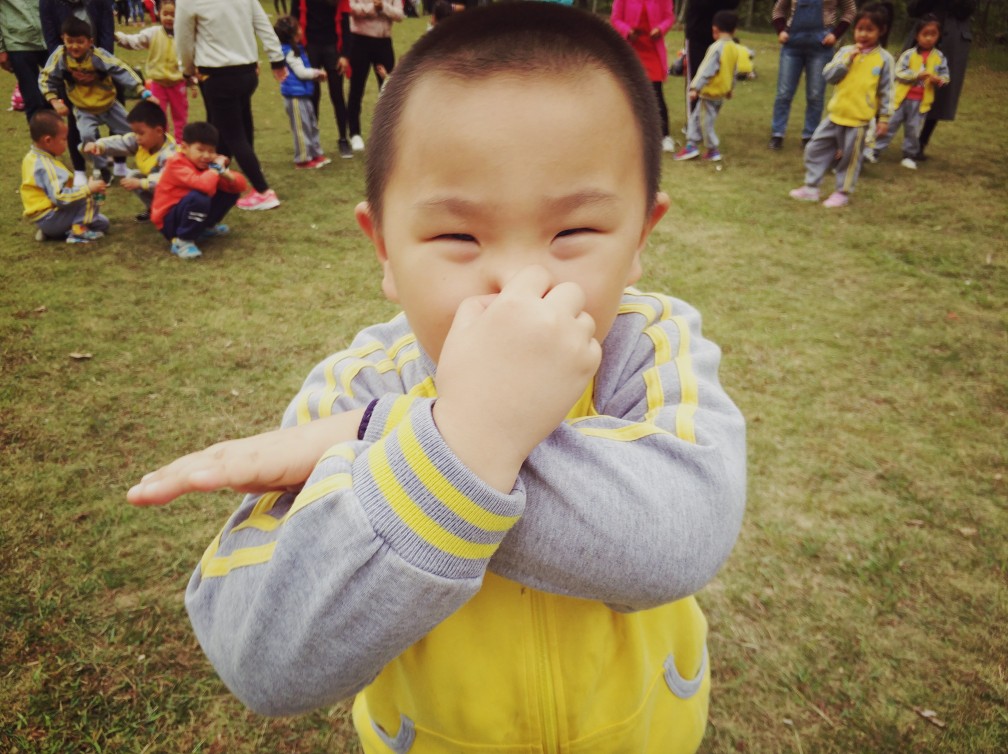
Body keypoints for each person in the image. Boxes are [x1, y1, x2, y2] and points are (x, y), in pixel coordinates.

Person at [127, 5, 747, 753]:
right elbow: (262, 659)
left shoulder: (649, 344)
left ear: (641, 236)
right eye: (457, 235)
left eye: (575, 232)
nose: (518, 282)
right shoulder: (354, 386)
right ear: (384, 249)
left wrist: (385, 441)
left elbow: (681, 537)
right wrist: (461, 438)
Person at [174, 0, 286, 211]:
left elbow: (183, 38)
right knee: (230, 128)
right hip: (247, 72)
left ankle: (263, 191)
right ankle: (218, 180)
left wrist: (187, 70)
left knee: (233, 134)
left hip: (218, 74)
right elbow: (262, 23)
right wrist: (277, 59)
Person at [790, 2, 894, 208]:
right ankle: (811, 187)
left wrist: (884, 118)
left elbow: (888, 91)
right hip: (836, 115)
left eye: (869, 30)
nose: (863, 34)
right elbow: (829, 76)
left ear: (881, 31)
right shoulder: (845, 51)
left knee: (850, 159)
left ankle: (842, 192)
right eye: (860, 29)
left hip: (859, 121)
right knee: (814, 148)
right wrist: (846, 61)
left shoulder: (885, 59)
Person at [39, 15, 154, 180]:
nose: (74, 46)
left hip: (108, 104)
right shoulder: (61, 57)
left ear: (90, 42)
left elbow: (120, 69)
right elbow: (46, 77)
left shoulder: (98, 56)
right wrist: (54, 101)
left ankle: (146, 162)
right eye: (70, 41)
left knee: (133, 132)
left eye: (80, 42)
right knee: (87, 137)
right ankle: (102, 167)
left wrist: (141, 90)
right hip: (83, 108)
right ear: (63, 39)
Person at [40, 0, 117, 186]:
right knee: (75, 119)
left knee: (113, 116)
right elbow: (52, 39)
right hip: (69, 71)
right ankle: (80, 169)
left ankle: (110, 161)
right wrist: (69, 70)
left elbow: (107, 33)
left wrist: (98, 70)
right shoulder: (48, 3)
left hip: (100, 67)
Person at [149, 121, 248, 259]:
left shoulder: (208, 165)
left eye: (211, 151)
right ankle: (183, 241)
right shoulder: (176, 164)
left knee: (230, 190)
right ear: (185, 148)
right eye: (200, 150)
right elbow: (203, 185)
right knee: (199, 197)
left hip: (188, 210)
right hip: (169, 222)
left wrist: (225, 174)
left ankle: (206, 227)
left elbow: (241, 186)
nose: (206, 155)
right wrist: (215, 170)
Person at [767, 0, 856, 150]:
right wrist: (781, 30)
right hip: (792, 46)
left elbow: (850, 10)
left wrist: (835, 34)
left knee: (815, 95)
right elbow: (778, 10)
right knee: (784, 93)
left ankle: (810, 136)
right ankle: (777, 134)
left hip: (821, 46)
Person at [864, 14, 949, 170]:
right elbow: (898, 72)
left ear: (938, 36)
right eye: (925, 34)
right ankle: (873, 150)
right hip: (900, 99)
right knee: (889, 125)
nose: (929, 38)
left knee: (913, 130)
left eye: (933, 34)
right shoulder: (909, 54)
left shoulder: (939, 57)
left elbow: (945, 76)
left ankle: (909, 155)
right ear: (917, 36)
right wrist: (916, 75)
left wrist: (940, 80)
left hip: (921, 103)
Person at [21, 109, 109, 243]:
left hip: (46, 218)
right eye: (63, 139)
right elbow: (60, 197)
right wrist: (88, 189)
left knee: (102, 223)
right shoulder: (46, 166)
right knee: (87, 196)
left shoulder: (32, 157)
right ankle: (77, 233)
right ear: (48, 140)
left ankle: (51, 231)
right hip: (50, 217)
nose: (67, 143)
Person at [82, 99, 176, 221]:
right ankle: (154, 208)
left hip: (173, 191)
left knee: (138, 180)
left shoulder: (170, 154)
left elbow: (166, 180)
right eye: (134, 132)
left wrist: (140, 183)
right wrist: (100, 146)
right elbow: (122, 142)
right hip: (155, 185)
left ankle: (169, 212)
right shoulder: (141, 142)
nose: (137, 138)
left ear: (158, 131)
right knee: (133, 175)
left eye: (141, 133)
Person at [906, 0, 974, 161]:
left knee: (941, 92)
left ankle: (920, 143)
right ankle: (882, 135)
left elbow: (966, 9)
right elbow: (912, 9)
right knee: (903, 84)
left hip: (952, 40)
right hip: (922, 35)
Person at [114, 0, 190, 144]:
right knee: (157, 117)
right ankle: (161, 145)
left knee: (180, 117)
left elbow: (190, 56)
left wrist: (192, 78)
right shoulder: (153, 33)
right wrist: (119, 37)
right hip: (158, 84)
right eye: (165, 14)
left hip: (178, 84)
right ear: (159, 13)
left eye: (173, 15)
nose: (169, 18)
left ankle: (180, 146)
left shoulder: (183, 36)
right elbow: (136, 41)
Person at [610, 0, 677, 153]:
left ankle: (664, 136)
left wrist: (660, 29)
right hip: (631, 49)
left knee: (656, 93)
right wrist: (627, 31)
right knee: (629, 94)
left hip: (653, 50)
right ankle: (628, 133)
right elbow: (616, 19)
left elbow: (669, 18)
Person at [674, 9, 740, 163]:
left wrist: (695, 88)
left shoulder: (716, 48)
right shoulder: (734, 48)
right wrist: (730, 88)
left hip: (709, 93)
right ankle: (693, 144)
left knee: (705, 122)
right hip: (720, 94)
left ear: (714, 29)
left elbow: (705, 70)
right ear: (734, 31)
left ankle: (710, 149)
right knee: (698, 118)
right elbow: (734, 71)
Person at [298, 0, 354, 159]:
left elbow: (346, 25)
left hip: (333, 46)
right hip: (310, 47)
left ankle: (343, 139)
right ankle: (312, 141)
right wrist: (298, 51)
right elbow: (295, 18)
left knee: (337, 95)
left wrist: (345, 55)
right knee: (312, 95)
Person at [346, 0, 403, 151]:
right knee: (356, 87)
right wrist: (372, 9)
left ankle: (387, 133)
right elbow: (350, 8)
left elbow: (400, 15)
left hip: (383, 41)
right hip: (360, 39)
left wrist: (383, 7)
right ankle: (354, 133)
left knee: (388, 89)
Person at [274, 14, 330, 169]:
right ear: (294, 33)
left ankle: (315, 153)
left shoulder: (297, 49)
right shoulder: (290, 52)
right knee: (301, 128)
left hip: (303, 94)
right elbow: (301, 73)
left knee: (311, 125)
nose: (302, 29)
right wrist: (317, 73)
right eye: (298, 27)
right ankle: (303, 159)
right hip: (295, 97)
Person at [0, 0, 52, 122]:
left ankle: (63, 133)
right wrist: (1, 49)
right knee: (33, 100)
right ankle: (40, 134)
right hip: (17, 42)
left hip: (48, 36)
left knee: (62, 94)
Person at [682, 0, 738, 113]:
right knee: (695, 78)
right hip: (697, 34)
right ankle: (692, 120)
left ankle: (708, 118)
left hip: (721, 36)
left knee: (717, 79)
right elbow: (697, 4)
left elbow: (733, 4)